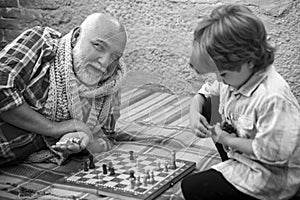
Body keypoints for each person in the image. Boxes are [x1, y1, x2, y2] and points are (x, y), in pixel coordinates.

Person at [182, 4, 300, 200]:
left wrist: (226, 140)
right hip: (243, 157)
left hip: (273, 175)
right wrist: (194, 113)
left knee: (193, 187)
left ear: (250, 61)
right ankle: (231, 169)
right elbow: (203, 94)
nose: (219, 80)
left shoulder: (272, 98)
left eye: (224, 73)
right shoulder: (235, 77)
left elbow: (273, 153)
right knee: (209, 105)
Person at [0, 13, 127, 166]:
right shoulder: (42, 42)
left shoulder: (110, 87)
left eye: (115, 57)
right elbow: (2, 87)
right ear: (76, 37)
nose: (105, 62)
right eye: (98, 46)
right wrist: (56, 128)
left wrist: (82, 140)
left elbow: (106, 138)